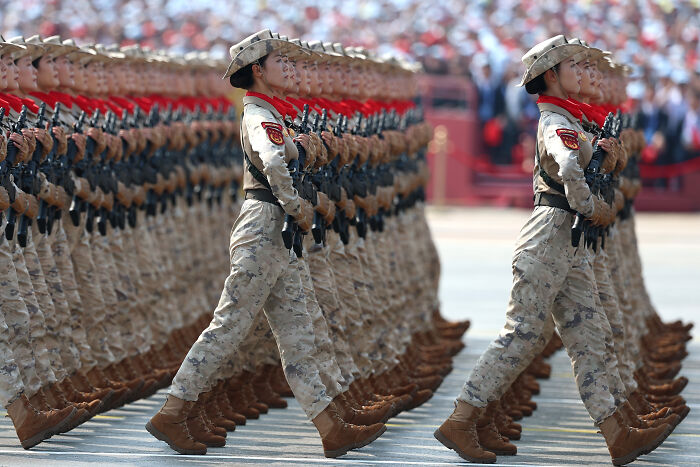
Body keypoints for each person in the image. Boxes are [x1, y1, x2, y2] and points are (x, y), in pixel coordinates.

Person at [146, 29, 385, 458]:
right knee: (230, 325)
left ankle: (332, 426)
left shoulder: (272, 113)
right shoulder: (259, 115)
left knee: (301, 330)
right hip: (265, 225)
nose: (290, 69)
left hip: (277, 232)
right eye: (282, 62)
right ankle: (173, 410)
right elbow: (273, 162)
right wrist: (297, 206)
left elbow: (284, 155)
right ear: (258, 70)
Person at [433, 35, 671, 466]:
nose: (582, 73)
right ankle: (462, 418)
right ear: (550, 76)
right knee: (521, 335)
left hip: (569, 242)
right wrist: (592, 205)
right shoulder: (555, 123)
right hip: (550, 236)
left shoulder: (575, 121)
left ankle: (618, 433)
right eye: (572, 67)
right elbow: (565, 167)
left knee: (592, 335)